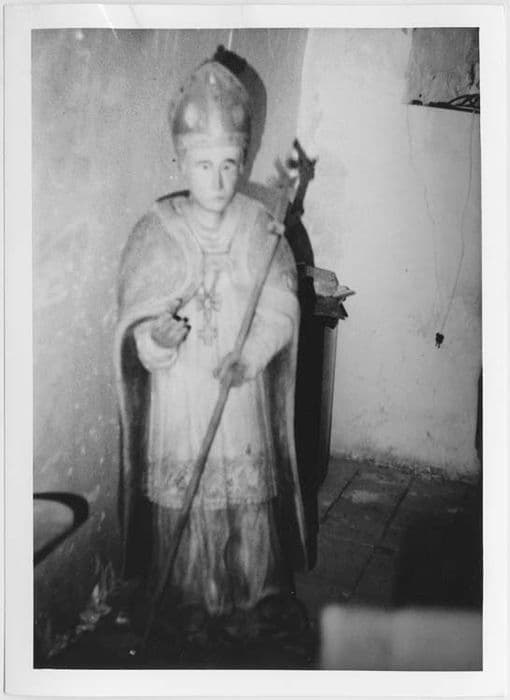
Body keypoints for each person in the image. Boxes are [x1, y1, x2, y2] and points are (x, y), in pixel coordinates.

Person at [114, 57, 307, 635]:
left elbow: (280, 309)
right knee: (187, 493)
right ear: (181, 162)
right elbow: (136, 329)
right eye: (204, 165)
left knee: (247, 492)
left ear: (244, 161)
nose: (219, 181)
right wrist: (156, 340)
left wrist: (253, 355)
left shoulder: (260, 225)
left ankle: (257, 589)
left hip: (238, 385)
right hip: (181, 395)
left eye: (230, 164)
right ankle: (188, 595)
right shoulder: (156, 229)